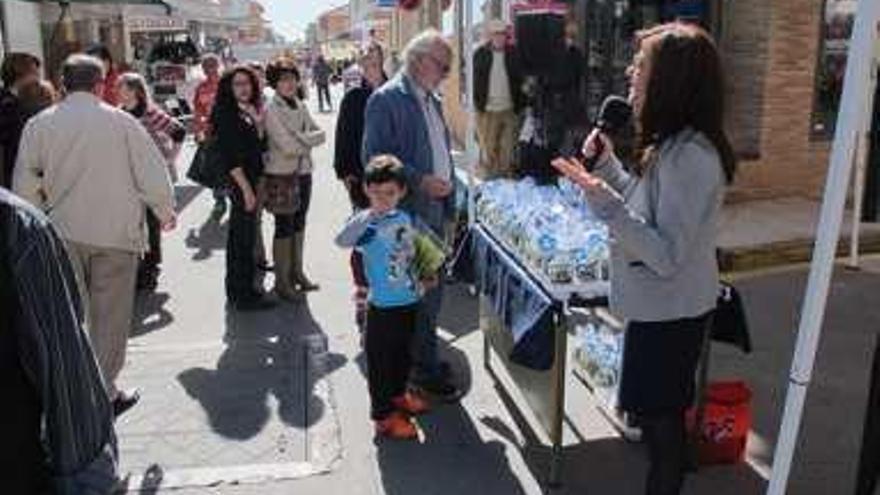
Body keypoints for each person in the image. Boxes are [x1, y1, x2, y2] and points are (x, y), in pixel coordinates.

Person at [552, 23, 737, 495]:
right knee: (657, 421)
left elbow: (665, 253)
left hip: (672, 312)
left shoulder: (691, 156)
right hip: (659, 308)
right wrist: (609, 170)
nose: (631, 73)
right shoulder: (671, 144)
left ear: (670, 79)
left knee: (663, 428)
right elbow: (643, 204)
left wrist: (604, 202)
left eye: (642, 66)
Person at [14, 54, 177, 417]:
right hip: (115, 233)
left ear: (62, 84)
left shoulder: (39, 125)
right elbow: (150, 171)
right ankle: (104, 390)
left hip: (61, 235)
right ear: (101, 84)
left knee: (72, 316)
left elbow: (24, 186)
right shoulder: (121, 123)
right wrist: (164, 210)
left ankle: (74, 388)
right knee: (111, 317)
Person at [363, 29, 461, 402]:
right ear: (420, 61)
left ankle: (423, 359)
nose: (447, 74)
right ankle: (422, 370)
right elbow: (374, 162)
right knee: (419, 294)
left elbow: (440, 150)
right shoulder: (385, 100)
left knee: (430, 291)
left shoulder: (430, 98)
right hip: (409, 216)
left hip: (433, 210)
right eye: (444, 66)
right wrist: (421, 181)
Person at [1, 187, 118, 493]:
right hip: (108, 233)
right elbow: (65, 375)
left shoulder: (17, 226)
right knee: (106, 313)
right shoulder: (15, 225)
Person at [335, 155, 441, 439]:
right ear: (367, 190)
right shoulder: (366, 224)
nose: (383, 199)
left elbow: (416, 250)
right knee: (380, 363)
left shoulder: (404, 218)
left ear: (402, 193)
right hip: (381, 307)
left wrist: (427, 271)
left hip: (408, 301)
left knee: (403, 356)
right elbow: (342, 240)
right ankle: (383, 417)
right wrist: (365, 218)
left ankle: (398, 396)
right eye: (376, 192)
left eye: (390, 193)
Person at [212, 65, 276, 311]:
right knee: (241, 239)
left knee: (245, 237)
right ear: (229, 87)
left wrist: (258, 123)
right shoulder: (225, 113)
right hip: (241, 183)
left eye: (247, 83)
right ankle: (243, 295)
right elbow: (231, 158)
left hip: (252, 179)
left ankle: (243, 290)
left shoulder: (247, 110)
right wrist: (247, 191)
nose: (244, 88)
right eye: (238, 84)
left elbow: (258, 146)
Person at [118, 72, 187, 291]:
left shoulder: (150, 112)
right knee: (132, 222)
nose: (118, 90)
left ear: (135, 90)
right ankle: (138, 265)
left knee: (151, 222)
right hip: (128, 175)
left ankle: (151, 266)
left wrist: (171, 157)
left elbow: (178, 130)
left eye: (122, 87)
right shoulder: (118, 114)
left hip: (151, 174)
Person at [335, 50, 388, 335]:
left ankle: (390, 295)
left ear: (382, 64)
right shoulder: (354, 98)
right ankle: (363, 294)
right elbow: (343, 137)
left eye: (375, 63)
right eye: (366, 64)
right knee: (364, 237)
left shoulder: (397, 92)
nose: (371, 68)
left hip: (395, 181)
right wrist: (345, 173)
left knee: (393, 235)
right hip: (363, 180)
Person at [263, 58, 325, 299]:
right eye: (283, 79)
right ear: (275, 83)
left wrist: (300, 137)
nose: (289, 84)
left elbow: (320, 134)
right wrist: (305, 140)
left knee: (299, 223)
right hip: (281, 174)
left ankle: (297, 272)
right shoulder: (271, 108)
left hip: (304, 172)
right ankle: (282, 281)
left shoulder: (299, 103)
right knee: (284, 226)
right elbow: (287, 147)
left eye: (292, 78)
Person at [473, 19, 524, 179]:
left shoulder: (514, 53)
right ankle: (491, 184)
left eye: (502, 34)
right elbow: (473, 80)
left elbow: (520, 77)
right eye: (496, 34)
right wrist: (477, 105)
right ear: (490, 36)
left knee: (507, 150)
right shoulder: (480, 54)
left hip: (509, 108)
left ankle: (504, 183)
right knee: (489, 150)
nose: (499, 38)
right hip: (488, 110)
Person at [192, 53, 228, 218]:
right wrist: (198, 129)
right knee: (214, 169)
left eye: (212, 65)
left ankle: (235, 198)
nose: (209, 69)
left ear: (218, 65)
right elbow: (197, 110)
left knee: (230, 168)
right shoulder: (201, 88)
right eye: (206, 66)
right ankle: (219, 201)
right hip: (210, 134)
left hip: (228, 133)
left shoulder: (227, 84)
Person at [0, 52, 41, 188]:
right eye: (34, 74)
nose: (38, 80)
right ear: (21, 76)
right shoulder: (11, 108)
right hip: (13, 182)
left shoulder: (17, 103)